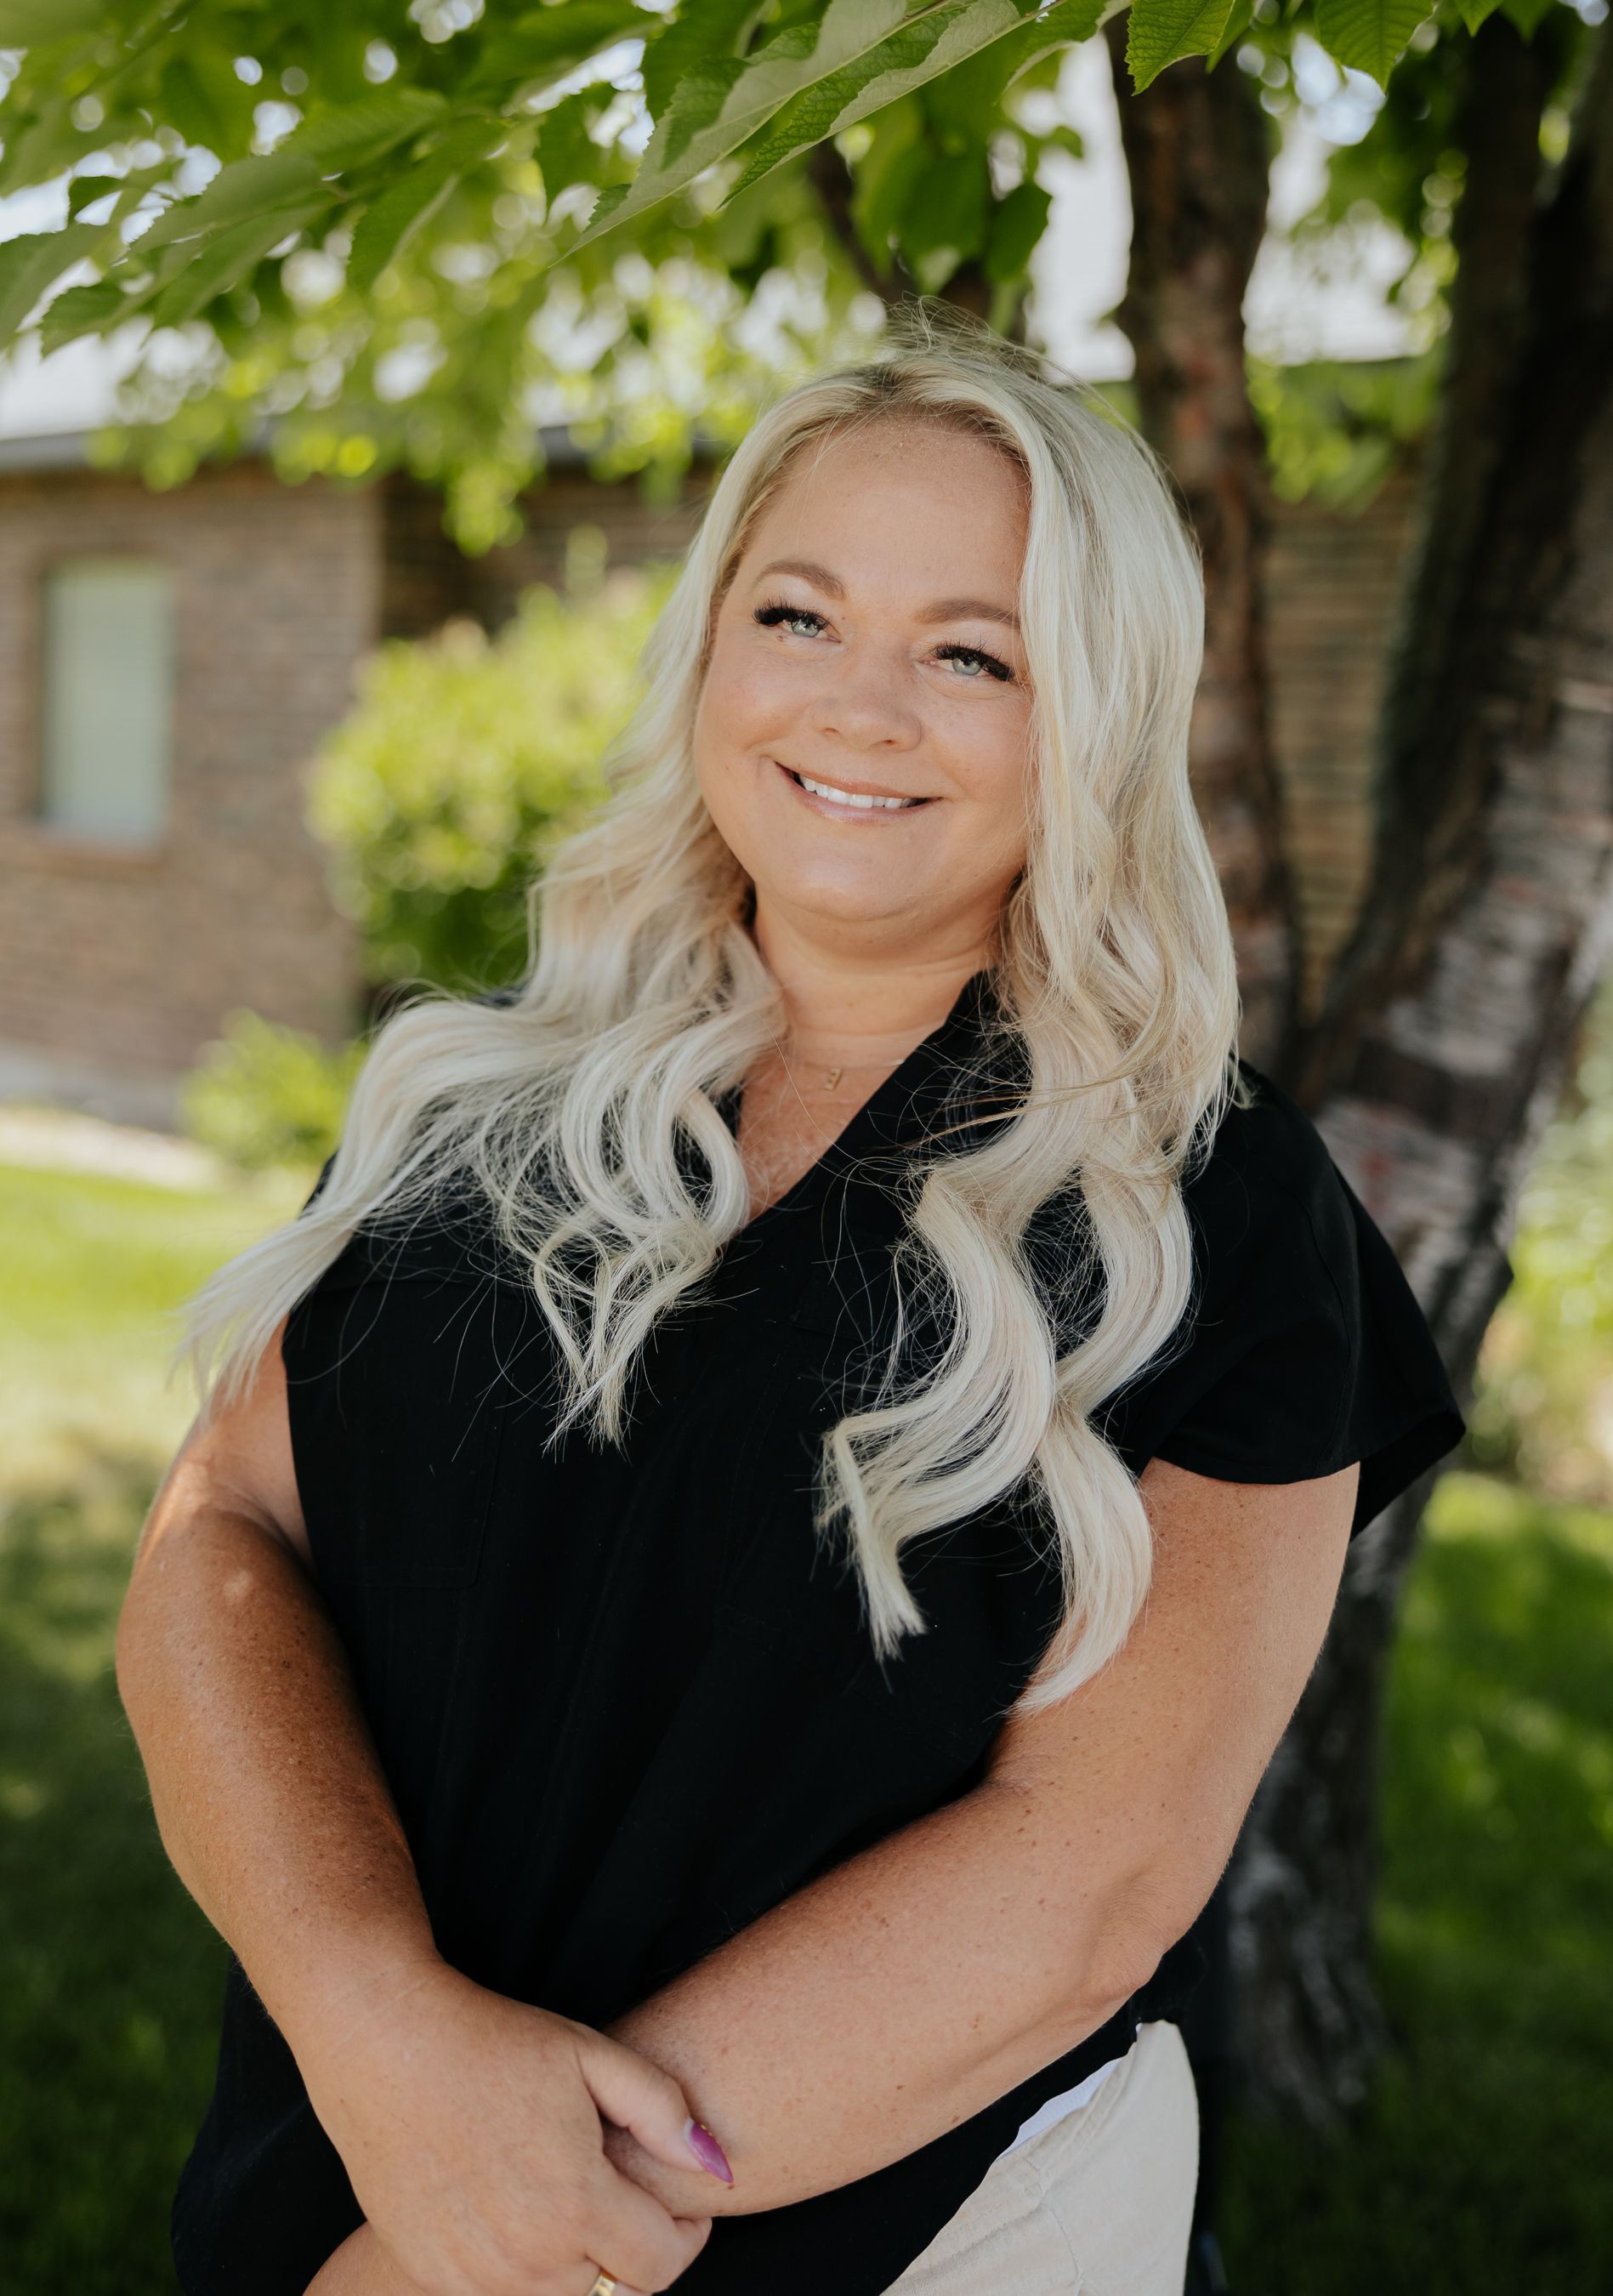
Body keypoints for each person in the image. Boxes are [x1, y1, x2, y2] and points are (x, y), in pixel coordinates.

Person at [117, 313, 1465, 2296]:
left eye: (972, 653)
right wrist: (372, 2019)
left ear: (1092, 715)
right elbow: (215, 1542)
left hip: (913, 2235)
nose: (861, 708)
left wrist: (473, 2242)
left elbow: (1083, 1888)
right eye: (799, 616)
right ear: (710, 649)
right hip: (349, 2154)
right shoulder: (477, 1108)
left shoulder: (1216, 1212)